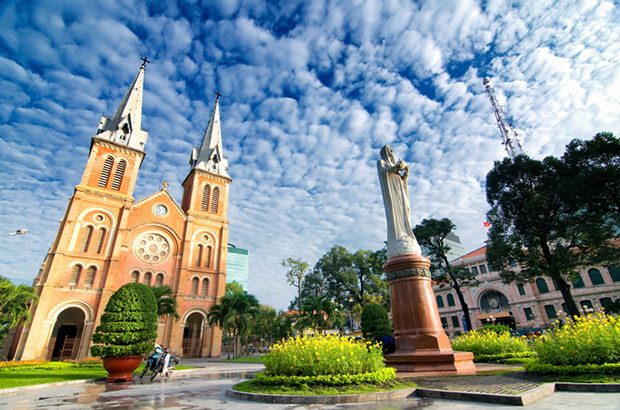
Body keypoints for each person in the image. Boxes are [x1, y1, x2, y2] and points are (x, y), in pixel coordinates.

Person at [377, 145, 422, 258]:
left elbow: (402, 182)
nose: (391, 153)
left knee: (406, 209)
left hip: (400, 194)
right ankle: (398, 237)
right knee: (396, 214)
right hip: (392, 196)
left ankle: (407, 235)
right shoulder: (382, 162)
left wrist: (406, 172)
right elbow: (383, 173)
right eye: (389, 151)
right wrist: (396, 167)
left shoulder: (394, 167)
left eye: (392, 150)